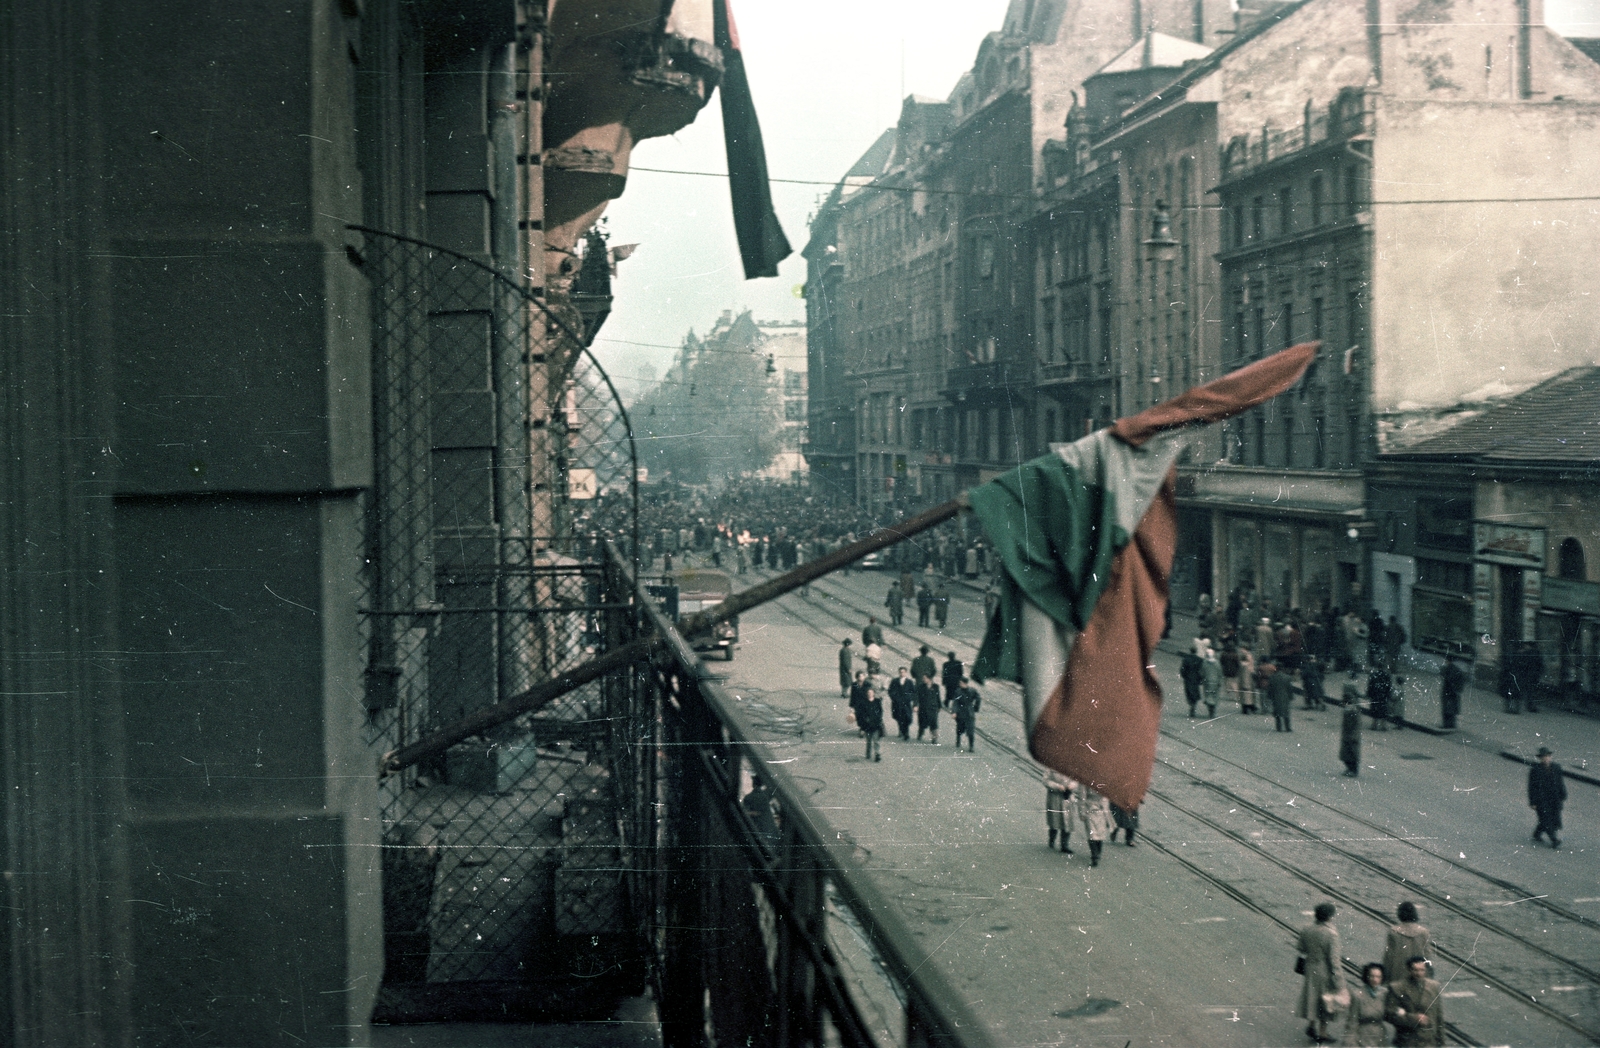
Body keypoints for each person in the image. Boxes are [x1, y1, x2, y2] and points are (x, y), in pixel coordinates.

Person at [1298, 902, 1346, 1045]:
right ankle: (1323, 1032)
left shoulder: (1307, 928)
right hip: (1324, 971)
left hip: (1310, 968)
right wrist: (1339, 980)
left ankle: (1312, 1026)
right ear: (1330, 917)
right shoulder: (1331, 934)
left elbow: (1301, 947)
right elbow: (1334, 960)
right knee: (1326, 1001)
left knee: (1313, 997)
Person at [1384, 957, 1443, 1046]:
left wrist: (1441, 1041)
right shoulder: (1397, 988)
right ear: (1409, 970)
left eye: (1422, 970)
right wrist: (1413, 1018)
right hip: (1407, 1040)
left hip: (1429, 1040)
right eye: (1415, 970)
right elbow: (1389, 1014)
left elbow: (1439, 1015)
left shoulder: (1434, 986)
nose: (1419, 973)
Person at [1342, 963, 1390, 1047]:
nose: (1375, 980)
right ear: (1367, 977)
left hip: (1380, 1035)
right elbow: (1352, 1021)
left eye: (1378, 977)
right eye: (1372, 976)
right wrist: (1349, 1041)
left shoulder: (1385, 993)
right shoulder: (1358, 995)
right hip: (1362, 1035)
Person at [1383, 903, 1431, 987]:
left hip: (1398, 973)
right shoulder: (1424, 932)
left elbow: (1389, 956)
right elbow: (1427, 955)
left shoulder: (1394, 932)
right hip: (1419, 974)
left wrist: (1385, 976)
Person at [1528, 745, 1567, 848]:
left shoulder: (1556, 768)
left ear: (1550, 757)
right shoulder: (1535, 770)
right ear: (1540, 758)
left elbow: (1560, 783)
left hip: (1554, 799)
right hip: (1541, 800)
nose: (1546, 758)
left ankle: (1537, 833)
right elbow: (1532, 787)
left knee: (1553, 818)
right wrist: (1532, 802)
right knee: (1546, 819)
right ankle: (1554, 840)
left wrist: (1563, 795)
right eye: (1543, 757)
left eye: (1547, 756)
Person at [1076, 785, 1112, 867]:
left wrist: (1106, 811)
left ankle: (1098, 852)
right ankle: (1094, 855)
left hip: (1101, 809)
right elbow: (1082, 797)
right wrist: (1082, 812)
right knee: (1091, 833)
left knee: (1100, 832)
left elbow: (1107, 797)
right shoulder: (1085, 781)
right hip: (1090, 809)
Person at [1044, 768, 1075, 854]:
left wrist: (1072, 785)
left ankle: (1064, 845)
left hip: (1067, 797)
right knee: (1055, 820)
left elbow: (1076, 780)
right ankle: (1052, 839)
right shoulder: (1051, 767)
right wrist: (1057, 786)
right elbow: (1046, 781)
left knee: (1067, 821)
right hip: (1055, 797)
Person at [854, 678, 883, 762]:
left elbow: (880, 712)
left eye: (871, 692)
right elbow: (861, 715)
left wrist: (879, 720)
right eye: (868, 693)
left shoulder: (877, 701)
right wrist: (863, 726)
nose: (870, 694)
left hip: (876, 724)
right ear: (867, 694)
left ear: (873, 693)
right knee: (869, 741)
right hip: (867, 725)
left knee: (876, 741)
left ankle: (877, 754)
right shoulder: (863, 703)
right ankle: (868, 753)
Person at [952, 678, 981, 752]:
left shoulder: (972, 691)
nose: (960, 684)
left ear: (965, 683)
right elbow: (955, 702)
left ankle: (971, 746)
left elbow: (978, 698)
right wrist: (954, 712)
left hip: (969, 714)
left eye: (961, 683)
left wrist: (976, 708)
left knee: (970, 730)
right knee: (960, 728)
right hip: (960, 713)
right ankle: (958, 739)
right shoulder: (958, 691)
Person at [1439, 656, 1467, 730]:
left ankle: (1447, 725)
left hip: (1449, 691)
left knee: (1447, 709)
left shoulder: (1451, 669)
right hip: (1453, 692)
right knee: (1451, 709)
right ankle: (1451, 724)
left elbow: (1448, 678)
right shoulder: (1454, 668)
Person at [888, 667, 916, 740]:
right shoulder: (895, 681)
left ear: (906, 673)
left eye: (903, 672)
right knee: (899, 717)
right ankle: (901, 730)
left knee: (907, 718)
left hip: (906, 704)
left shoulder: (909, 682)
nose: (902, 673)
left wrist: (909, 698)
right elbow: (890, 691)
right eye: (900, 672)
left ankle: (906, 733)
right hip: (897, 703)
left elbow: (913, 692)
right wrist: (894, 698)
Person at [1267, 660, 1294, 732]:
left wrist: (1269, 696)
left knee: (1277, 713)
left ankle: (1279, 727)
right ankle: (1288, 727)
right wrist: (1291, 697)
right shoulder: (1287, 677)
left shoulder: (1272, 677)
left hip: (1275, 697)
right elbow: (1290, 688)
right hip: (1285, 697)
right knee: (1286, 713)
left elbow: (1270, 688)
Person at [1180, 641, 1205, 718]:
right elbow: (1202, 670)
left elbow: (1182, 669)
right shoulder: (1200, 660)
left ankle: (1191, 705)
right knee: (1195, 692)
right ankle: (1193, 705)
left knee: (1189, 692)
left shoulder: (1186, 659)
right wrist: (1201, 678)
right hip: (1196, 678)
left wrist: (1184, 676)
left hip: (1188, 678)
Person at [915, 673, 941, 744]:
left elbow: (938, 697)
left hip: (933, 708)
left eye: (925, 678)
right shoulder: (921, 687)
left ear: (929, 679)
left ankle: (934, 738)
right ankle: (920, 734)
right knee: (922, 722)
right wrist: (916, 705)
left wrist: (939, 706)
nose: (923, 680)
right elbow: (917, 697)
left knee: (934, 723)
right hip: (923, 707)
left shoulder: (936, 686)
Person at [1339, 699, 1362, 777]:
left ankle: (1353, 770)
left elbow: (1355, 725)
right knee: (1346, 754)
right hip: (1347, 736)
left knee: (1352, 754)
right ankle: (1349, 769)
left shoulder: (1353, 711)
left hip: (1352, 736)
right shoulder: (1348, 710)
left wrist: (1353, 735)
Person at [1201, 644, 1223, 719]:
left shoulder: (1205, 663)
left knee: (1208, 696)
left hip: (1207, 682)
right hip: (1215, 682)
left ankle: (1210, 711)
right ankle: (1213, 711)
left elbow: (1202, 672)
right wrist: (1220, 681)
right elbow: (1220, 673)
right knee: (1214, 696)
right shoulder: (1217, 663)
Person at [1238, 646, 1258, 714]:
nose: (1241, 650)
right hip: (1248, 681)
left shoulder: (1245, 665)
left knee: (1246, 696)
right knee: (1249, 695)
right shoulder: (1248, 658)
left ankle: (1247, 708)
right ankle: (1251, 707)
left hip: (1246, 682)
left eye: (1242, 649)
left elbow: (1245, 675)